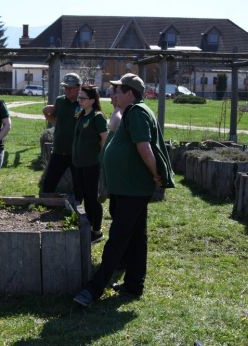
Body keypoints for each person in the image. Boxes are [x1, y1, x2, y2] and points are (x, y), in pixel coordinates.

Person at [73, 73, 175, 307]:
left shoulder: (137, 112)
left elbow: (144, 147)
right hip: (129, 187)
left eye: (118, 90)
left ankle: (93, 289)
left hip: (133, 188)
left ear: (130, 93)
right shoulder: (132, 111)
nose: (114, 94)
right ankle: (133, 285)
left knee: (117, 239)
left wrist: (155, 173)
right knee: (137, 237)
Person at [72, 85, 108, 242]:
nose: (79, 100)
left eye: (83, 98)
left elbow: (104, 140)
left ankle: (97, 231)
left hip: (92, 165)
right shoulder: (81, 115)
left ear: (92, 100)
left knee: (92, 198)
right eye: (79, 97)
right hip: (78, 164)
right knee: (82, 196)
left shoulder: (97, 117)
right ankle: (87, 227)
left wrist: (101, 159)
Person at [41, 73, 82, 204]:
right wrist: (49, 115)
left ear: (78, 88)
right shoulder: (60, 101)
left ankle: (78, 213)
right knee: (48, 184)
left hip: (76, 153)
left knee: (79, 186)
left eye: (70, 88)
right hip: (58, 150)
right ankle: (45, 206)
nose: (67, 90)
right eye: (65, 87)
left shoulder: (83, 103)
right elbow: (53, 117)